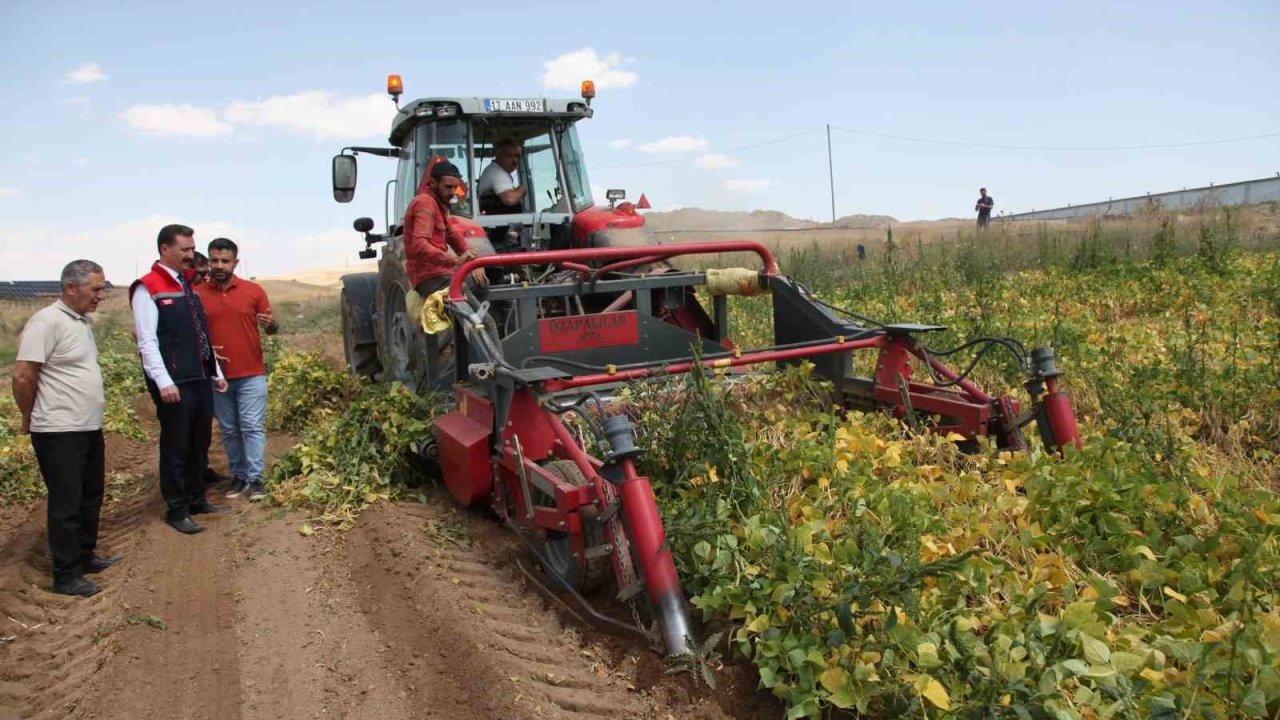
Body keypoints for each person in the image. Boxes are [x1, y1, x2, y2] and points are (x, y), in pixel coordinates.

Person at [12, 260, 122, 596]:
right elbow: (23, 376)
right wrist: (28, 416)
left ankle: (85, 556)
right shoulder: (46, 321)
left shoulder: (80, 321)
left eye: (102, 289)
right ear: (71, 288)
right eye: (95, 289)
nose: (100, 295)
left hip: (87, 426)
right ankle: (66, 575)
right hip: (59, 429)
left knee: (90, 495)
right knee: (66, 503)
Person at [130, 224, 227, 535]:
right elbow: (147, 341)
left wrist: (215, 371)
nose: (190, 255)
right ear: (165, 249)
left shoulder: (186, 283)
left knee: (200, 440)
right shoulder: (148, 288)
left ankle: (197, 498)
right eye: (185, 249)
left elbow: (200, 334)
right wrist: (163, 381)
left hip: (199, 375)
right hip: (175, 381)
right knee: (177, 445)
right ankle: (177, 509)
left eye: (192, 249)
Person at [195, 237, 276, 501]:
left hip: (251, 373)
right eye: (214, 260)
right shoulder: (197, 295)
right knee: (229, 429)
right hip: (217, 377)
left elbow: (272, 328)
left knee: (252, 427)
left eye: (225, 261)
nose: (219, 265)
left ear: (235, 262)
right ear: (208, 261)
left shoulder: (253, 291)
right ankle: (239, 475)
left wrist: (271, 324)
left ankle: (256, 479)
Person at [404, 159, 488, 298]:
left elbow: (452, 236)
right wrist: (454, 261)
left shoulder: (439, 204)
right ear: (432, 183)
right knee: (466, 301)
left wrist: (472, 261)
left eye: (455, 187)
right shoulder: (425, 203)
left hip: (440, 273)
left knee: (482, 284)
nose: (453, 192)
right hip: (429, 277)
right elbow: (420, 245)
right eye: (448, 187)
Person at [477, 138, 527, 214]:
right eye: (509, 156)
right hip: (496, 220)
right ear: (498, 155)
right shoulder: (497, 173)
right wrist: (522, 189)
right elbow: (509, 199)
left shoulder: (494, 170)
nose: (514, 160)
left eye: (516, 156)